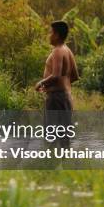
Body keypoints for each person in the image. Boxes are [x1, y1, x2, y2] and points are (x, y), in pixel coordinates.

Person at [35, 20, 79, 149]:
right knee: (64, 133)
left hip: (56, 98)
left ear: (57, 35)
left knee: (51, 132)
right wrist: (61, 87)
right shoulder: (68, 51)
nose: (49, 35)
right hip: (65, 97)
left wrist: (41, 83)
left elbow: (56, 75)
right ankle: (64, 162)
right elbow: (75, 76)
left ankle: (51, 162)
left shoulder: (58, 51)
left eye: (51, 32)